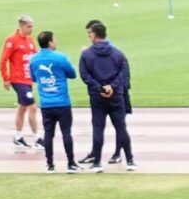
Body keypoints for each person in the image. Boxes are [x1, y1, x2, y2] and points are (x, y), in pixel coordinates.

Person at [78, 20, 134, 171]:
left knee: (98, 128)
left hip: (97, 96)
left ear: (95, 34)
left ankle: (97, 163)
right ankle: (130, 160)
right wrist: (112, 87)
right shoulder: (118, 53)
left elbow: (84, 75)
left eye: (90, 33)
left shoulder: (86, 54)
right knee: (121, 127)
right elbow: (123, 74)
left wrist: (100, 88)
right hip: (116, 95)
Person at [27, 29, 79, 173]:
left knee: (48, 134)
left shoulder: (33, 59)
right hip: (62, 102)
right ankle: (71, 163)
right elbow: (73, 74)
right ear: (49, 42)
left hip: (46, 103)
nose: (56, 42)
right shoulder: (60, 57)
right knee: (66, 133)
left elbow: (33, 78)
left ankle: (50, 165)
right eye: (54, 40)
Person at [0, 15, 38, 150]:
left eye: (32, 26)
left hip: (28, 80)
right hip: (17, 80)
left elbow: (35, 56)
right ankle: (37, 138)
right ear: (21, 26)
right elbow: (3, 60)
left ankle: (18, 137)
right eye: (29, 26)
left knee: (22, 108)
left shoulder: (30, 40)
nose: (31, 29)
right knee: (32, 106)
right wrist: (5, 78)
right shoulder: (11, 41)